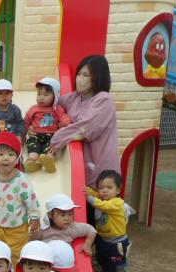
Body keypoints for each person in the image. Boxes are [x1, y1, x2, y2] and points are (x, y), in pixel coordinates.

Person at [49, 55, 120, 194]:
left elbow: (85, 128)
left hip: (101, 171)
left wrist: (57, 137)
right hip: (83, 166)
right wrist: (63, 118)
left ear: (97, 78)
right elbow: (55, 104)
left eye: (85, 75)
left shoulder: (104, 100)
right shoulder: (75, 97)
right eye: (79, 74)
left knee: (99, 204)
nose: (79, 78)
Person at [0, 131, 41, 266]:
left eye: (11, 154)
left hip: (17, 228)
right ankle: (3, 271)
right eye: (1, 154)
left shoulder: (22, 181)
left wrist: (34, 217)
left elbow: (32, 200)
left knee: (17, 254)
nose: (5, 158)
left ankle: (17, 271)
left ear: (17, 158)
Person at [84, 170, 131, 272]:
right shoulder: (101, 198)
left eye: (109, 188)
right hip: (103, 239)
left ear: (118, 190)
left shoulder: (117, 203)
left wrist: (88, 197)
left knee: (118, 263)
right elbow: (96, 195)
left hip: (117, 243)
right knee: (102, 257)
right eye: (101, 188)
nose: (104, 191)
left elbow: (102, 205)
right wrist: (88, 191)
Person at [24, 78, 71, 173]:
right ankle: (32, 163)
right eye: (39, 94)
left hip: (51, 137)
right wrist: (23, 134)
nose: (41, 97)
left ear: (55, 96)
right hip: (35, 135)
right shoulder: (33, 109)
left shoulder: (57, 109)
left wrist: (69, 124)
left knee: (50, 151)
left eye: (46, 95)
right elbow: (26, 121)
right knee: (33, 152)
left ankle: (49, 162)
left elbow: (63, 117)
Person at [30, 193, 96, 257]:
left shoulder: (72, 228)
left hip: (64, 259)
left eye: (70, 214)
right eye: (62, 215)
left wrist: (87, 245)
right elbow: (32, 242)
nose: (67, 218)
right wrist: (35, 232)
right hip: (45, 258)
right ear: (50, 215)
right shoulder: (44, 228)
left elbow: (91, 230)